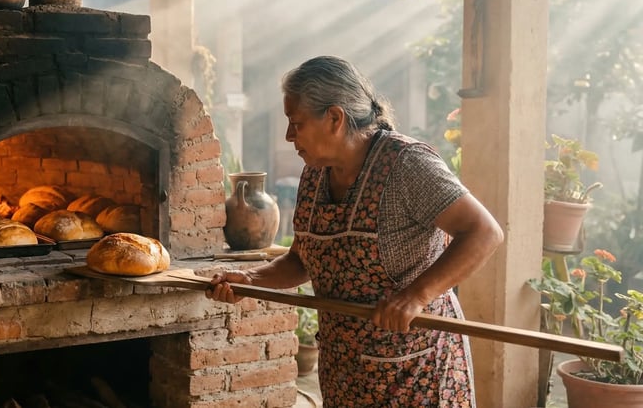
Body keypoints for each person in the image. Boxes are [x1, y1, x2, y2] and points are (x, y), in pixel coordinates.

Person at [206, 56, 504, 407]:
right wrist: (251, 280)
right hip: (346, 371)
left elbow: (484, 232)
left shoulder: (407, 165)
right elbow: (303, 261)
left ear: (334, 118)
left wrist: (416, 296)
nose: (289, 136)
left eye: (296, 123)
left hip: (416, 369)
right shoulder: (316, 173)